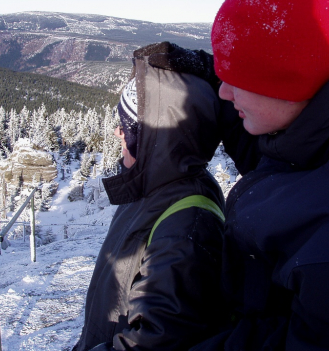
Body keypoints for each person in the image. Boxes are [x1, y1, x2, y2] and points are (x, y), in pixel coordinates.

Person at [142, 0, 329, 349]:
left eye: (236, 80)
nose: (223, 91)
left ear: (290, 85)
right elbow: (282, 149)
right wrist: (204, 66)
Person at [73, 46, 230, 351]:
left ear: (154, 140)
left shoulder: (187, 225)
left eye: (127, 127)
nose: (118, 133)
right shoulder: (152, 188)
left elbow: (156, 340)